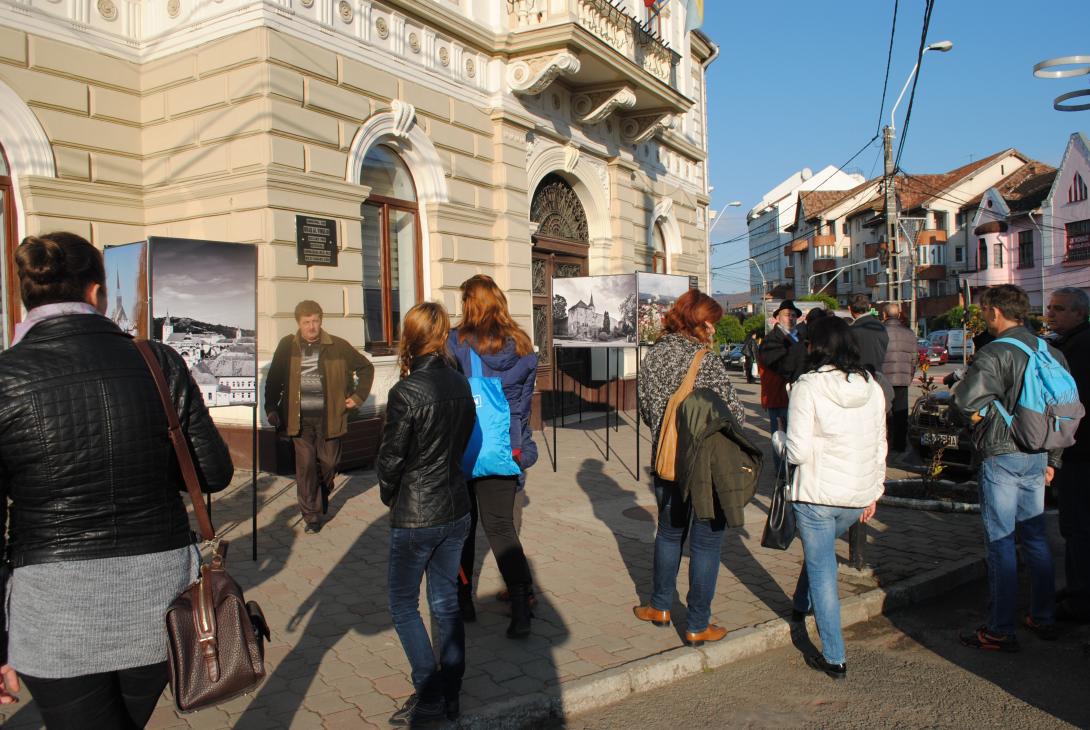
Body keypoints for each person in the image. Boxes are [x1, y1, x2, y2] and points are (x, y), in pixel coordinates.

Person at [0, 233, 234, 726]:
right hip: (160, 599)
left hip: (52, 610)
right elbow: (214, 471)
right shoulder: (157, 360)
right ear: (95, 293)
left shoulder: (7, 376)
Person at [377, 302, 476, 727]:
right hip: (455, 508)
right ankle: (450, 694)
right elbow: (463, 439)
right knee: (446, 602)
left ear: (411, 337)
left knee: (402, 604)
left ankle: (430, 691)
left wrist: (390, 495)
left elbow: (390, 460)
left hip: (418, 513)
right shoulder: (459, 381)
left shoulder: (406, 392)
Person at [633, 289, 744, 646]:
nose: (715, 328)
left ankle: (660, 606)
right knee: (707, 544)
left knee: (668, 533)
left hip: (666, 460)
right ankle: (697, 623)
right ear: (702, 321)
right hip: (705, 464)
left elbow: (647, 411)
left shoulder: (654, 355)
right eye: (712, 321)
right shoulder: (705, 359)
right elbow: (735, 416)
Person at [954, 284, 1062, 651]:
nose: (984, 316)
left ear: (996, 312)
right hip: (1039, 454)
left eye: (985, 310)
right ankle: (1043, 616)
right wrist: (1054, 461)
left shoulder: (995, 352)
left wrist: (978, 421)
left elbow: (964, 401)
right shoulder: (1050, 350)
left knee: (1000, 541)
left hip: (1002, 454)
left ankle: (1000, 627)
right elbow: (1060, 409)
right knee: (1034, 536)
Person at [778, 316, 886, 679]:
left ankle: (835, 655)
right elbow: (879, 443)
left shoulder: (807, 385)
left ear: (816, 346)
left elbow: (796, 452)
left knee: (823, 570)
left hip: (817, 495)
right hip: (856, 496)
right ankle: (799, 605)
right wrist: (875, 490)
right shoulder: (872, 386)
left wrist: (776, 441)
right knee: (819, 554)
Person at [447, 274, 539, 637]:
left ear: (469, 303)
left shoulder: (456, 343)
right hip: (504, 448)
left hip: (465, 448)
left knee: (463, 531)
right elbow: (523, 407)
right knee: (501, 529)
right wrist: (519, 448)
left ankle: (463, 602)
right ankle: (521, 609)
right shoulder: (523, 346)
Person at [265, 300, 375, 533]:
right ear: (299, 323)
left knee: (329, 462)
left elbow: (366, 368)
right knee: (305, 466)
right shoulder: (287, 346)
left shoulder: (338, 346)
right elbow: (274, 379)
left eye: (315, 321)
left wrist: (357, 397)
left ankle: (322, 489)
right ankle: (311, 516)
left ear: (321, 321)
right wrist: (271, 408)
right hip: (298, 418)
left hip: (330, 417)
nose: (311, 327)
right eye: (306, 322)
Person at [1046, 287, 1090, 622]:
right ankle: (1076, 587)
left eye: (1059, 309)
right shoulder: (1067, 344)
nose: (1051, 314)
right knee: (1074, 527)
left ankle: (1080, 597)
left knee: (1077, 527)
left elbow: (1068, 403)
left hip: (1079, 451)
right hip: (1076, 450)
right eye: (1050, 308)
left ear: (1079, 313)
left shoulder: (1077, 349)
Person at [759, 300, 806, 473]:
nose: (791, 318)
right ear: (777, 318)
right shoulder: (771, 340)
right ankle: (782, 475)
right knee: (781, 438)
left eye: (794, 315)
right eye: (787, 315)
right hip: (779, 398)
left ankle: (794, 472)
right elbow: (783, 367)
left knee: (797, 438)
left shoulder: (799, 338)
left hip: (799, 397)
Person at [880, 302, 918, 456]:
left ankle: (887, 442)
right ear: (899, 314)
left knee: (884, 411)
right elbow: (914, 358)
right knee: (901, 412)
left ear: (884, 315)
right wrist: (910, 375)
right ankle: (900, 444)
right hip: (902, 378)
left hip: (884, 377)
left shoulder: (881, 332)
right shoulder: (909, 333)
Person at [847, 293, 888, 375]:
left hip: (859, 376)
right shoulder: (881, 327)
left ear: (849, 309)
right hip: (879, 376)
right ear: (869, 306)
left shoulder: (851, 330)